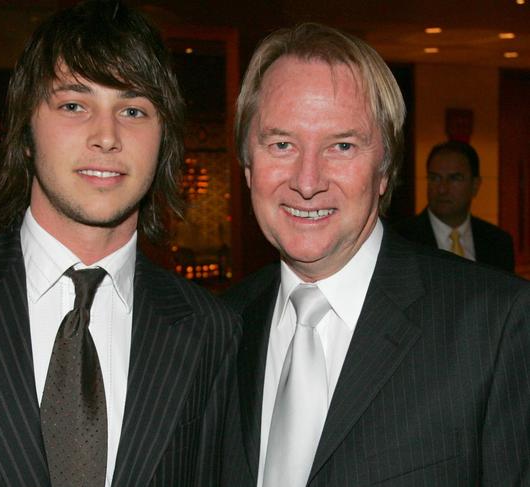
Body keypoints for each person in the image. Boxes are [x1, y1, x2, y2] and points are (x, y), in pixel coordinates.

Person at [0, 2, 240, 486]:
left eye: (133, 110)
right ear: (25, 131)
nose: (106, 135)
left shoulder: (212, 332)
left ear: (164, 140)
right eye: (74, 105)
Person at [221, 22, 530, 487]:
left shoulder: (496, 327)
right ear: (248, 165)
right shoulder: (217, 329)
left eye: (342, 145)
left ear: (384, 170)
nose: (307, 181)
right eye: (281, 144)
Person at [395, 140, 515, 272]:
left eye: (454, 178)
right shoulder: (400, 239)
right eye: (435, 178)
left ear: (475, 185)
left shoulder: (498, 243)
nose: (442, 189)